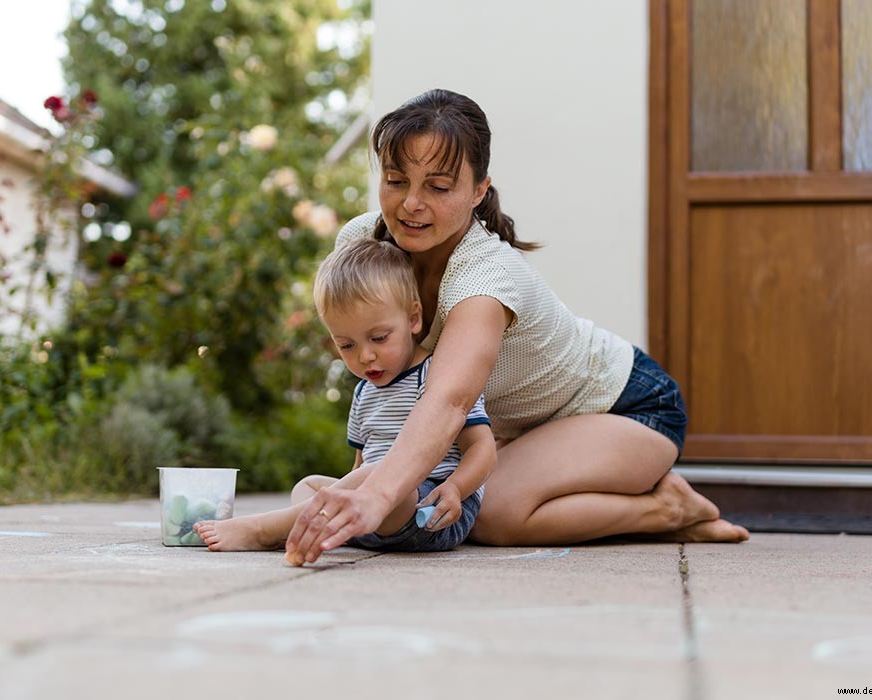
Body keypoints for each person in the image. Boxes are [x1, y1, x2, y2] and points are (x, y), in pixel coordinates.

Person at [282, 88, 749, 565]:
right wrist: (362, 484)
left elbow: (450, 399)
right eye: (396, 181)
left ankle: (667, 507)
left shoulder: (485, 276)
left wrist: (376, 498)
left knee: (493, 515)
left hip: (629, 410)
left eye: (439, 187)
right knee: (456, 496)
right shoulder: (363, 241)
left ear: (479, 190)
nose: (411, 204)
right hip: (520, 432)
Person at [195, 237, 496, 561]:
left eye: (379, 338)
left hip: (428, 511)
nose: (365, 356)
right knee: (310, 487)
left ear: (413, 318)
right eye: (346, 345)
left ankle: (263, 530)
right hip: (371, 515)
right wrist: (348, 495)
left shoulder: (438, 375)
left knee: (381, 474)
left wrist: (457, 488)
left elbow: (482, 448)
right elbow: (358, 467)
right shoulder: (364, 392)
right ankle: (319, 527)